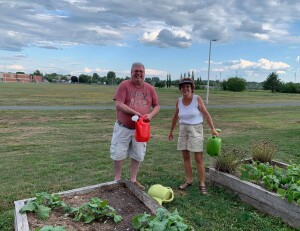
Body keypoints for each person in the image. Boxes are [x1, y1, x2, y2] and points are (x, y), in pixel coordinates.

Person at [110, 62, 160, 190]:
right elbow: (119, 104)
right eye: (136, 71)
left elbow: (157, 106)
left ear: (144, 73)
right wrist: (134, 112)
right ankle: (117, 179)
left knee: (138, 154)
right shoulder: (124, 85)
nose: (138, 73)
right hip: (123, 127)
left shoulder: (150, 88)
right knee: (118, 153)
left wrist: (151, 115)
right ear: (131, 72)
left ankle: (133, 180)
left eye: (141, 71)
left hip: (141, 128)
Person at [168, 78, 219, 195]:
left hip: (195, 129)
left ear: (191, 88)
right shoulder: (179, 101)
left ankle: (202, 184)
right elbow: (176, 116)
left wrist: (212, 129)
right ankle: (189, 180)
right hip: (183, 129)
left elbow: (206, 114)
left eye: (188, 86)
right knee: (186, 157)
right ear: (180, 90)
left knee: (198, 158)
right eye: (183, 87)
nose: (185, 88)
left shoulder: (197, 99)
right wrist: (171, 131)